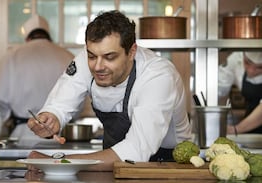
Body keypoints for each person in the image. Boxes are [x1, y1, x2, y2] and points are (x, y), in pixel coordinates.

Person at [26, 10, 192, 171]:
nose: (98, 66)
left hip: (167, 166)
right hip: (111, 164)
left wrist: (56, 162)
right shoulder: (86, 61)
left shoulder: (158, 76)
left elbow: (136, 151)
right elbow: (60, 104)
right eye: (91, 56)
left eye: (110, 57)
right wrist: (51, 118)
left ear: (131, 52)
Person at [0, 15, 74, 142]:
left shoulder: (12, 55)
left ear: (27, 38)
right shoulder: (67, 55)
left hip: (24, 134)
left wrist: (2, 121)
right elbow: (77, 102)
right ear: (48, 35)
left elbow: (1, 98)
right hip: (61, 133)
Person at [219, 52, 262, 133]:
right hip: (250, 128)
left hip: (247, 125)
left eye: (260, 68)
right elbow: (217, 87)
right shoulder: (236, 58)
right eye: (247, 63)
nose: (251, 71)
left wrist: (236, 129)